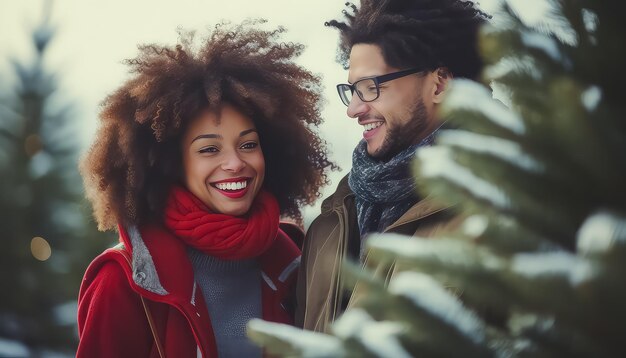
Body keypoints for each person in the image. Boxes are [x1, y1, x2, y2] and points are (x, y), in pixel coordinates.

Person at [77, 21, 333, 357]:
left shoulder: (296, 265)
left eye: (248, 144)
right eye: (209, 149)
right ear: (171, 164)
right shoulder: (124, 279)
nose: (235, 163)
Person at [295, 0, 491, 332]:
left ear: (439, 83)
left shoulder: (500, 216)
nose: (354, 109)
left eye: (371, 88)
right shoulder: (331, 223)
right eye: (352, 90)